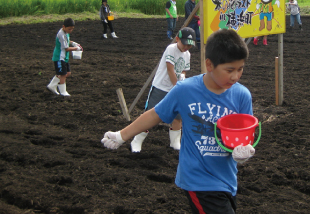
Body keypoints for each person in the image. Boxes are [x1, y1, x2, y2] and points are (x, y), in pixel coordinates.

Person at [102, 29, 255, 214]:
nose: (235, 76)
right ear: (209, 64)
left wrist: (245, 149)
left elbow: (246, 134)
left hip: (228, 178)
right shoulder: (185, 90)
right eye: (229, 70)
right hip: (198, 180)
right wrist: (121, 135)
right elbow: (155, 114)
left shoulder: (242, 95)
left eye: (240, 69)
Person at [130, 27, 195, 153]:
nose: (187, 47)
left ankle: (175, 142)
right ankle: (137, 140)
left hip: (176, 88)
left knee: (178, 116)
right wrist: (178, 87)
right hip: (162, 87)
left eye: (190, 45)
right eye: (185, 43)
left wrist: (181, 81)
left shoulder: (187, 54)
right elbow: (170, 69)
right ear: (177, 39)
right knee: (150, 115)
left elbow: (183, 71)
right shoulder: (171, 49)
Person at [47, 18, 82, 97]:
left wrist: (73, 43)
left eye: (72, 29)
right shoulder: (61, 34)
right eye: (69, 29)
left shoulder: (66, 32)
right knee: (63, 74)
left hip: (64, 57)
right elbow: (66, 48)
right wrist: (76, 48)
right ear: (64, 26)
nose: (71, 31)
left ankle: (52, 85)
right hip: (59, 57)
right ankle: (63, 92)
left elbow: (67, 41)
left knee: (67, 73)